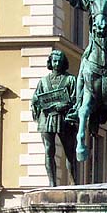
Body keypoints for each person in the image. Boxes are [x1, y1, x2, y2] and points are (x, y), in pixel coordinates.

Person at [31, 50, 77, 186]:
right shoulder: (43, 81)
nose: (57, 64)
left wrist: (64, 105)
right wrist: (35, 101)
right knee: (48, 150)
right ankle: (52, 183)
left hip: (65, 119)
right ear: (50, 63)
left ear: (64, 63)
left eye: (59, 61)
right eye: (54, 61)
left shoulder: (70, 80)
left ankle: (73, 182)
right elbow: (37, 98)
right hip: (47, 118)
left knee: (70, 152)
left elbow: (76, 99)